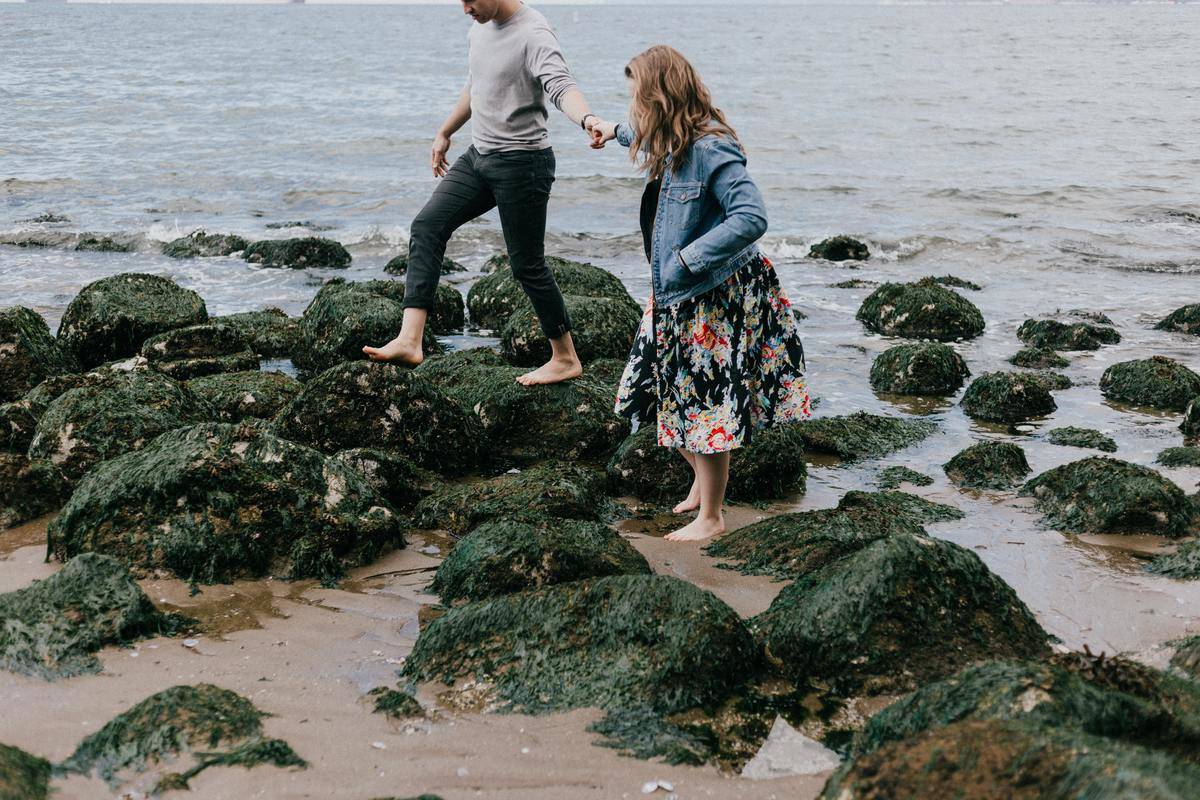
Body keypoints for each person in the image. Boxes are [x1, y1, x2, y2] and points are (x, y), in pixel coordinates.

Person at [590, 46, 811, 542]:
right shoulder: (673, 139)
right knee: (647, 391)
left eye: (636, 101)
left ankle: (711, 516)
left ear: (659, 97)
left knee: (707, 401)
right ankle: (700, 485)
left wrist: (688, 259)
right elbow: (642, 138)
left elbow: (751, 216)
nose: (633, 112)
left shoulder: (710, 148)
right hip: (673, 295)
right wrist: (610, 130)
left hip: (712, 294)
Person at [364, 0, 599, 386]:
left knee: (527, 265)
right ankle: (410, 340)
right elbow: (478, 84)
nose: (465, 8)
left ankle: (565, 357)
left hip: (523, 163)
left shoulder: (534, 32)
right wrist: (445, 131)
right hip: (479, 158)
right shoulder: (479, 28)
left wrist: (588, 119)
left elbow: (561, 86)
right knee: (427, 226)